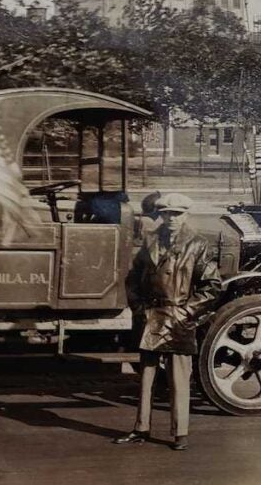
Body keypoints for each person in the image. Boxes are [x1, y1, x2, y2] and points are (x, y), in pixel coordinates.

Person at [113, 192, 221, 451]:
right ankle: (141, 428)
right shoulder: (149, 240)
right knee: (146, 378)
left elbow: (211, 286)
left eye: (177, 214)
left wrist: (186, 313)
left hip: (178, 318)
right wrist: (139, 308)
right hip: (150, 318)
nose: (171, 218)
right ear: (160, 215)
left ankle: (179, 433)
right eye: (166, 214)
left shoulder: (198, 244)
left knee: (179, 379)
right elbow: (133, 279)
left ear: (186, 215)